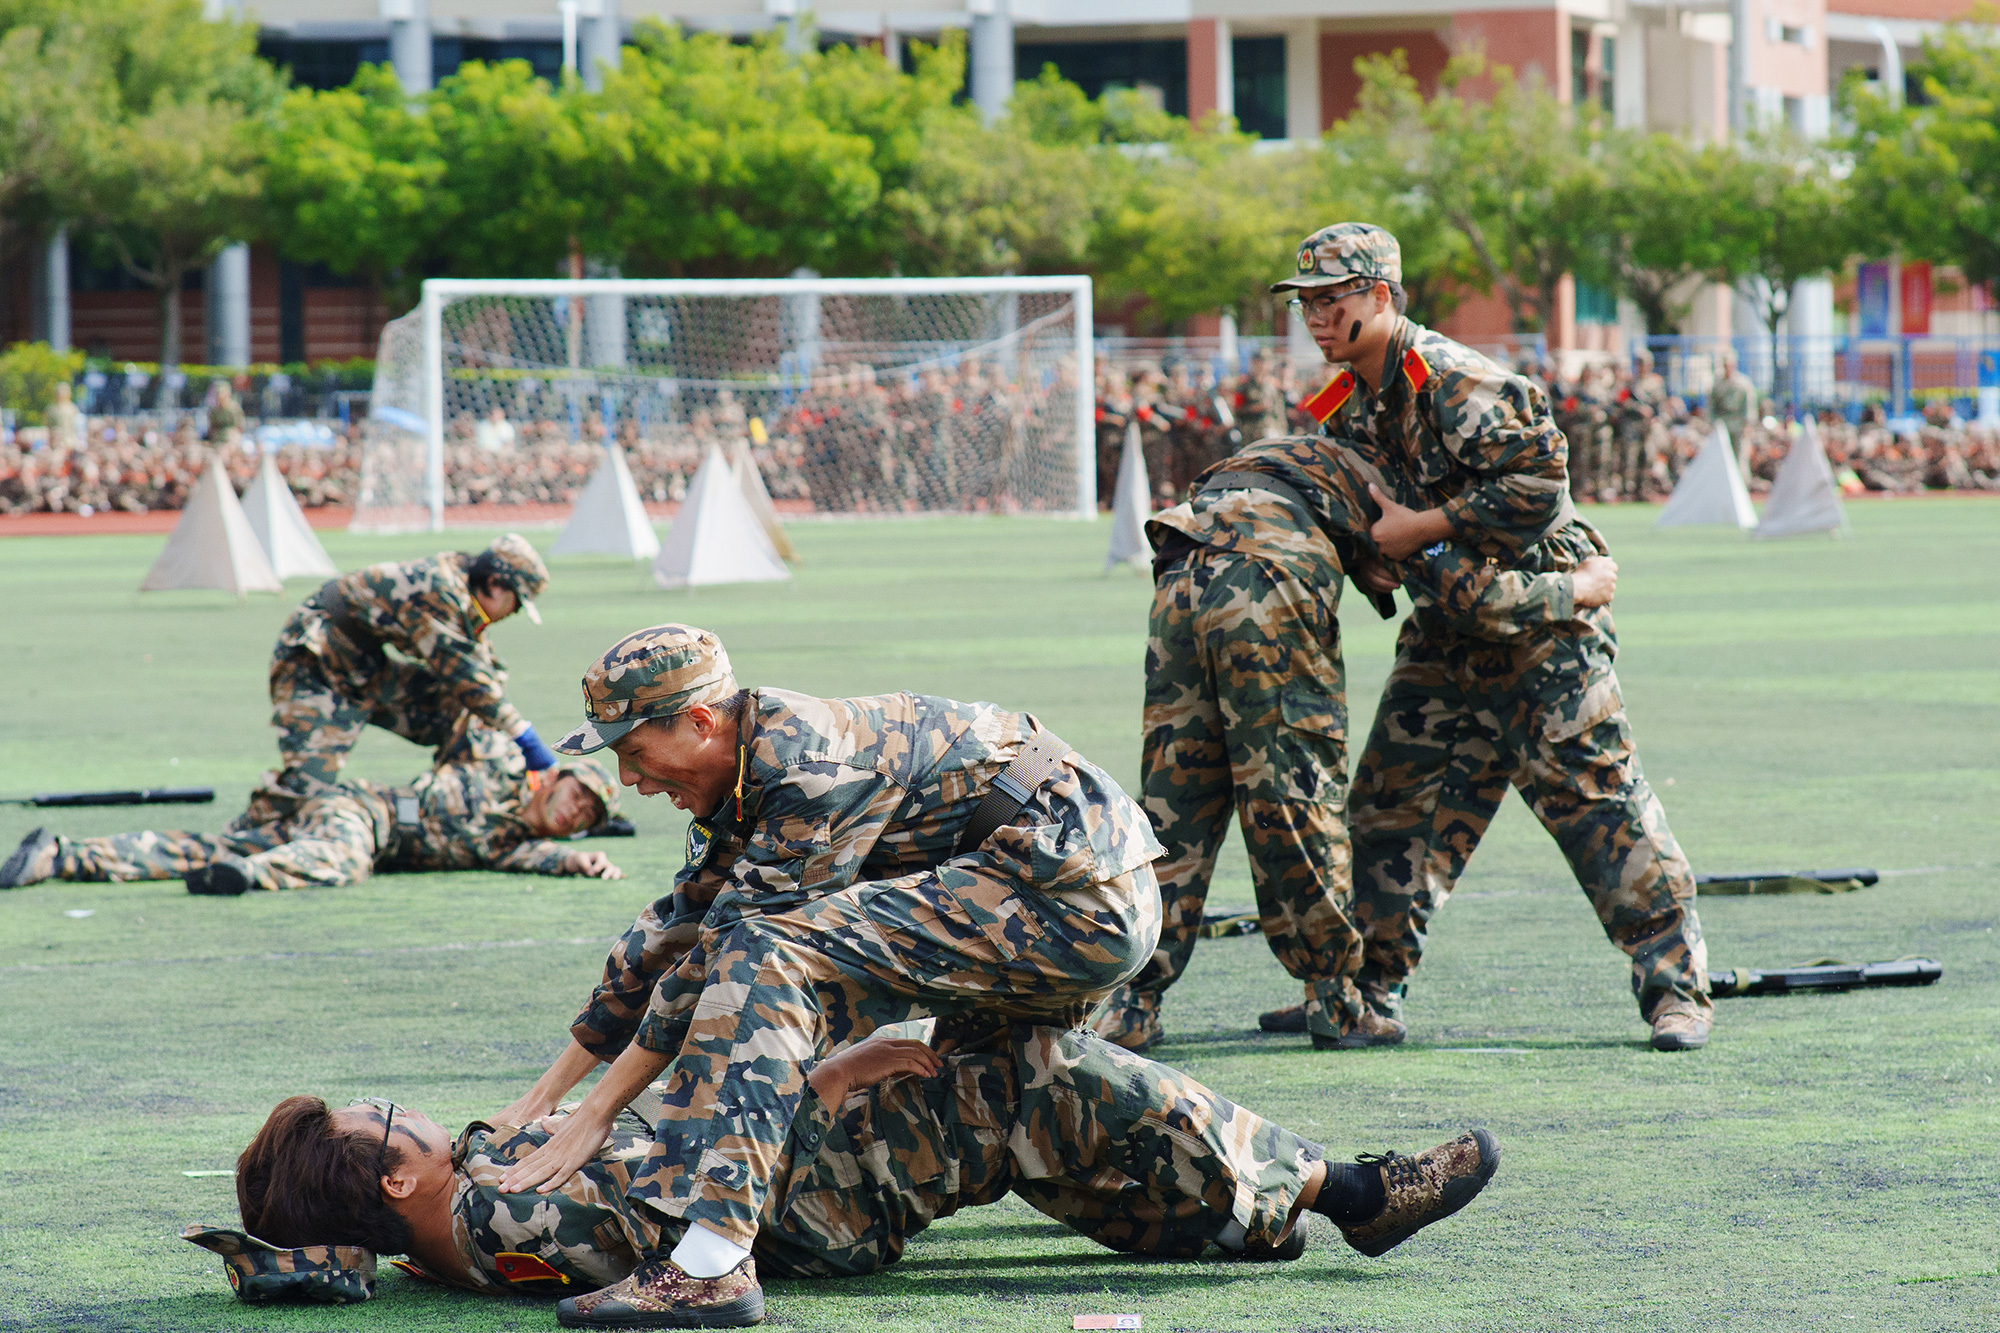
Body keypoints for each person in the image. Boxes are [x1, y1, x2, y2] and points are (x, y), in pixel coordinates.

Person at [487, 624, 1164, 1326]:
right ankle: (1239, 1207)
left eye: (633, 751)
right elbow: (668, 930)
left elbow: (718, 956)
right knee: (1000, 1090)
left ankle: (709, 1261)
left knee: (763, 952)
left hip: (1072, 895)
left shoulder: (808, 767)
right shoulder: (749, 766)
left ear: (698, 722)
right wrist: (542, 1098)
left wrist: (596, 1113)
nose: (628, 778)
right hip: (1042, 884)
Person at [216, 1025, 1499, 1323]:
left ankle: (1234, 1216)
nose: (427, 1113)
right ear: (396, 1182)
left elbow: (299, 1251)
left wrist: (281, 1254)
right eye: (401, 1120)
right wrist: (829, 1075)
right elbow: (709, 1182)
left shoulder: (451, 1219)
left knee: (1030, 1114)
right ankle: (1346, 1194)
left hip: (770, 1173)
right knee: (1027, 1071)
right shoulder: (504, 1209)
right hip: (796, 1199)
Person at [1273, 222, 1712, 1054]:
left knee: (1601, 809)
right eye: (1307, 303)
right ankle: (1367, 991)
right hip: (1449, 624)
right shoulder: (1344, 402)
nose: (1317, 317)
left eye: (1334, 299)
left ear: (1382, 296)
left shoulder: (1454, 379)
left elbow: (1543, 483)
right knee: (1390, 808)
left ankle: (1676, 991)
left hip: (1546, 627)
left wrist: (1420, 529)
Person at [1091, 429, 1621, 1051]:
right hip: (1271, 572)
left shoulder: (1312, 451)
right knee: (1295, 791)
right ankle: (1337, 1001)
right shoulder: (1411, 493)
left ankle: (1131, 1000)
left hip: (1182, 565)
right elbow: (1472, 597)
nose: (1390, 588)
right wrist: (1576, 589)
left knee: (1174, 801)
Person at [0, 723, 622, 894]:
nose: (575, 815)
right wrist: (526, 741)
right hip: (356, 810)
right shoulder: (496, 764)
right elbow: (474, 706)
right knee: (343, 860)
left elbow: (549, 859)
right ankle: (247, 878)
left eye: (587, 817)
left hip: (326, 826)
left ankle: (63, 856)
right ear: (556, 780)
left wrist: (586, 861)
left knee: (205, 847)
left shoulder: (511, 846)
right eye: (578, 797)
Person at [260, 532, 555, 803]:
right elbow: (466, 675)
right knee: (304, 795)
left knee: (461, 710)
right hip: (314, 665)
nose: (513, 613)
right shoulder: (439, 588)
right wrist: (523, 735)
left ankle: (463, 798)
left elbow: (484, 670)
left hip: (365, 670)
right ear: (494, 584)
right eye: (517, 603)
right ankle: (239, 847)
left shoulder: (464, 594)